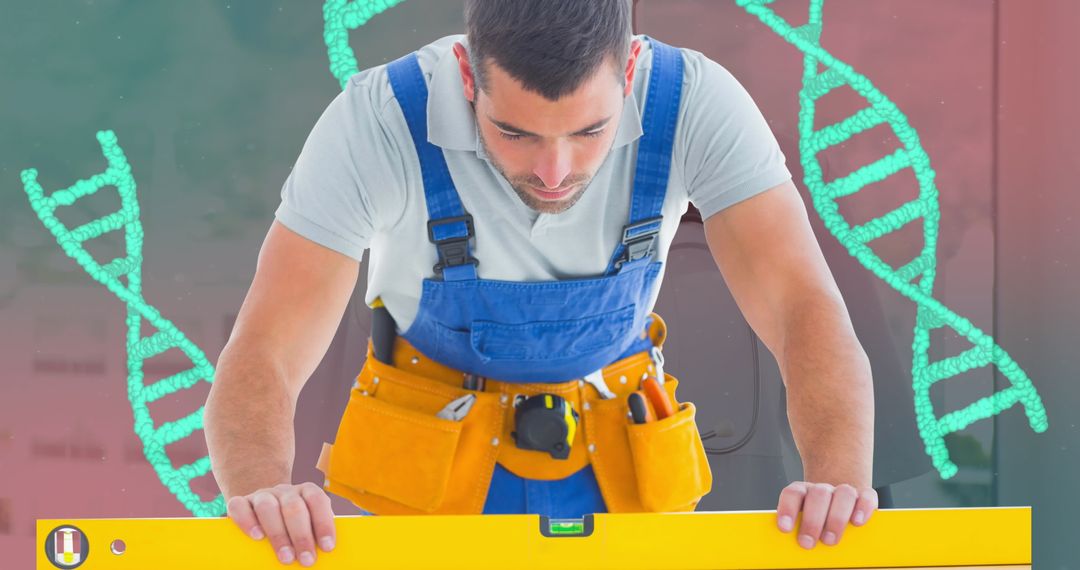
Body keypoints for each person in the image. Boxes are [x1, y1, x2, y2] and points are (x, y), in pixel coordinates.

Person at [204, 0, 878, 566]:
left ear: (631, 69)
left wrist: (838, 482)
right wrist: (265, 491)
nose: (554, 172)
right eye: (515, 132)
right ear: (467, 73)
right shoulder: (377, 121)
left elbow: (801, 306)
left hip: (622, 454)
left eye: (590, 131)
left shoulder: (695, 102)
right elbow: (266, 346)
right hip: (430, 467)